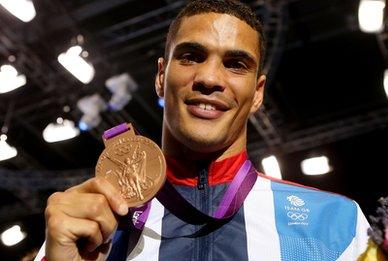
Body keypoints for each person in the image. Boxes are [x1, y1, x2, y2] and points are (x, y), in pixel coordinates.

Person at [35, 0, 370, 260]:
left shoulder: (335, 225)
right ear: (161, 77)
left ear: (257, 94)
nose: (209, 79)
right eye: (191, 56)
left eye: (236, 64)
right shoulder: (88, 224)